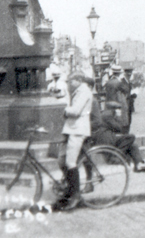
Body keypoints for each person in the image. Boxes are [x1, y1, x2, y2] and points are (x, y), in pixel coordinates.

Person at [55, 71, 92, 211]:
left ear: (78, 80)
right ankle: (69, 188)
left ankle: (75, 195)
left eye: (71, 81)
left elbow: (76, 111)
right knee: (61, 160)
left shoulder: (84, 92)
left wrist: (63, 109)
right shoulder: (77, 91)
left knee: (71, 162)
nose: (69, 84)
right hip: (70, 128)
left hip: (78, 130)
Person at [90, 100, 145, 173]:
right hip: (106, 140)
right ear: (113, 109)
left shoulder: (108, 115)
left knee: (133, 145)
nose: (119, 110)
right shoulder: (107, 116)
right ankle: (114, 157)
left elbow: (121, 130)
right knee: (131, 137)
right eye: (118, 108)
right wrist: (119, 117)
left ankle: (139, 164)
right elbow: (119, 128)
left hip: (110, 138)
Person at [105, 65, 131, 132]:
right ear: (119, 73)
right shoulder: (119, 82)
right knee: (120, 119)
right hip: (117, 102)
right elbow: (126, 90)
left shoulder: (108, 82)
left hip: (109, 102)